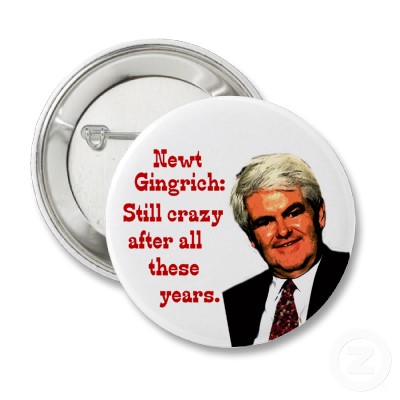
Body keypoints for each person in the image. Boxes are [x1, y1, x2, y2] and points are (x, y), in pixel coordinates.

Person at [223, 154, 350, 347]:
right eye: (265, 222)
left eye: (293, 213)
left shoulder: (354, 274)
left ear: (320, 214)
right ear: (251, 238)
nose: (283, 231)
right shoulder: (233, 303)